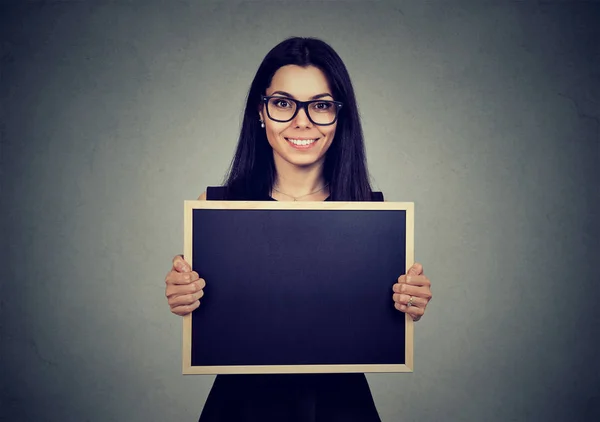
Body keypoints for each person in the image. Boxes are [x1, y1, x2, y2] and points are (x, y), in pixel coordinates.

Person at [164, 36, 433, 421]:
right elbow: (212, 310)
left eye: (321, 105)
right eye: (283, 103)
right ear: (261, 110)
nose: (301, 120)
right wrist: (184, 295)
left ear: (340, 117)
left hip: (341, 407)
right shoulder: (218, 206)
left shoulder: (372, 214)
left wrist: (408, 302)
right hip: (241, 406)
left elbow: (379, 321)